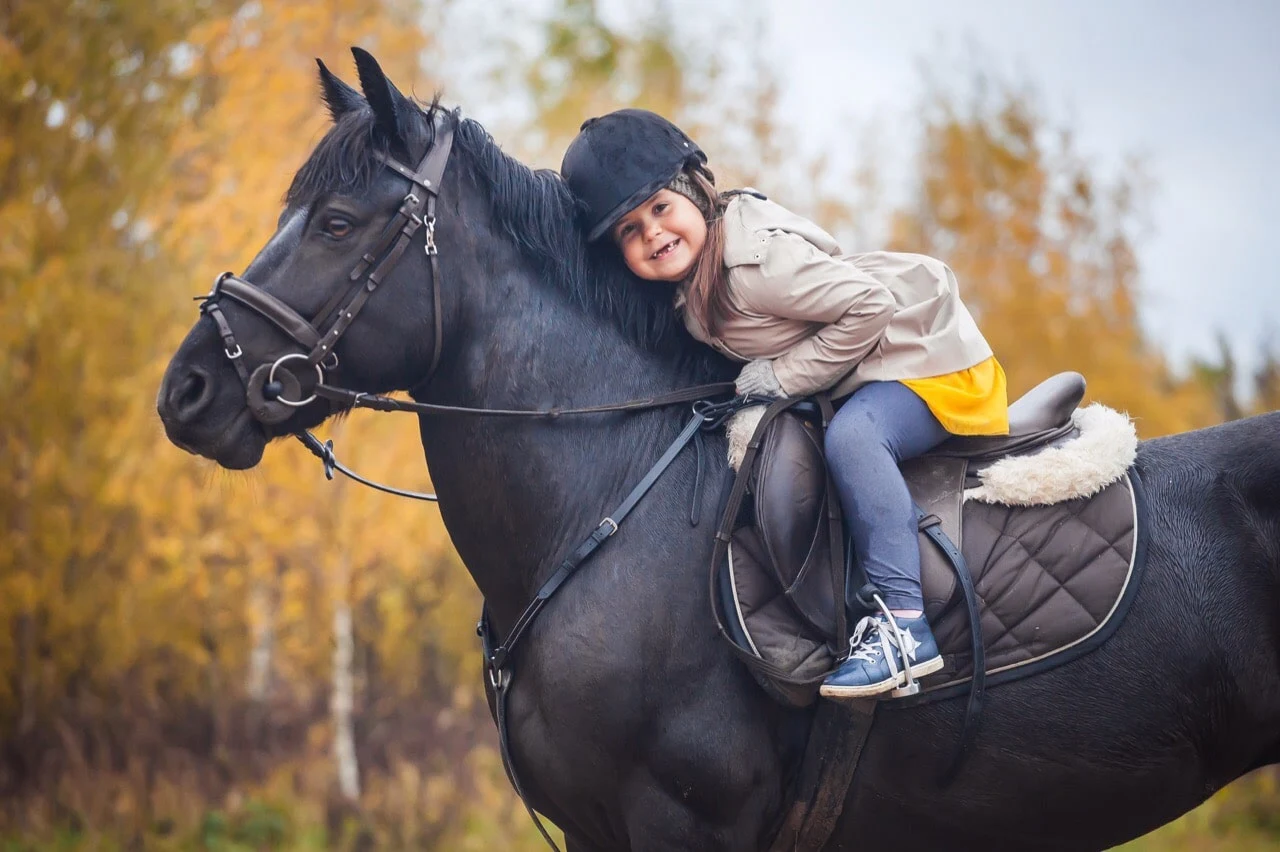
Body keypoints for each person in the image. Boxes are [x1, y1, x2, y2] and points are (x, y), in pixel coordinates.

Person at [560, 109, 1009, 699]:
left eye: (660, 208)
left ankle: (905, 628)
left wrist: (781, 375)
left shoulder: (753, 268)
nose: (652, 234)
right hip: (866, 361)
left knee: (854, 439)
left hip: (924, 353)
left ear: (697, 189)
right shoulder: (691, 282)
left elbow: (869, 307)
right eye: (628, 229)